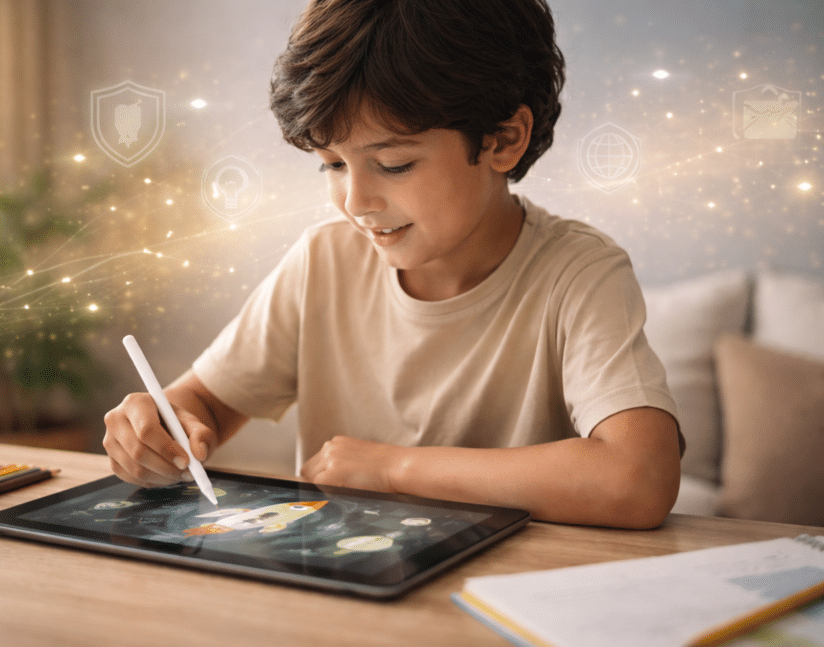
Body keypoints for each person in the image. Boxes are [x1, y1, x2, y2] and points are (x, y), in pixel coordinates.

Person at [103, 0, 683, 529]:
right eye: (331, 164)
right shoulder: (324, 260)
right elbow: (204, 404)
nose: (356, 203)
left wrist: (395, 470)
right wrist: (158, 429)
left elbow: (638, 479)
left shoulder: (577, 272)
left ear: (503, 139)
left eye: (395, 163)